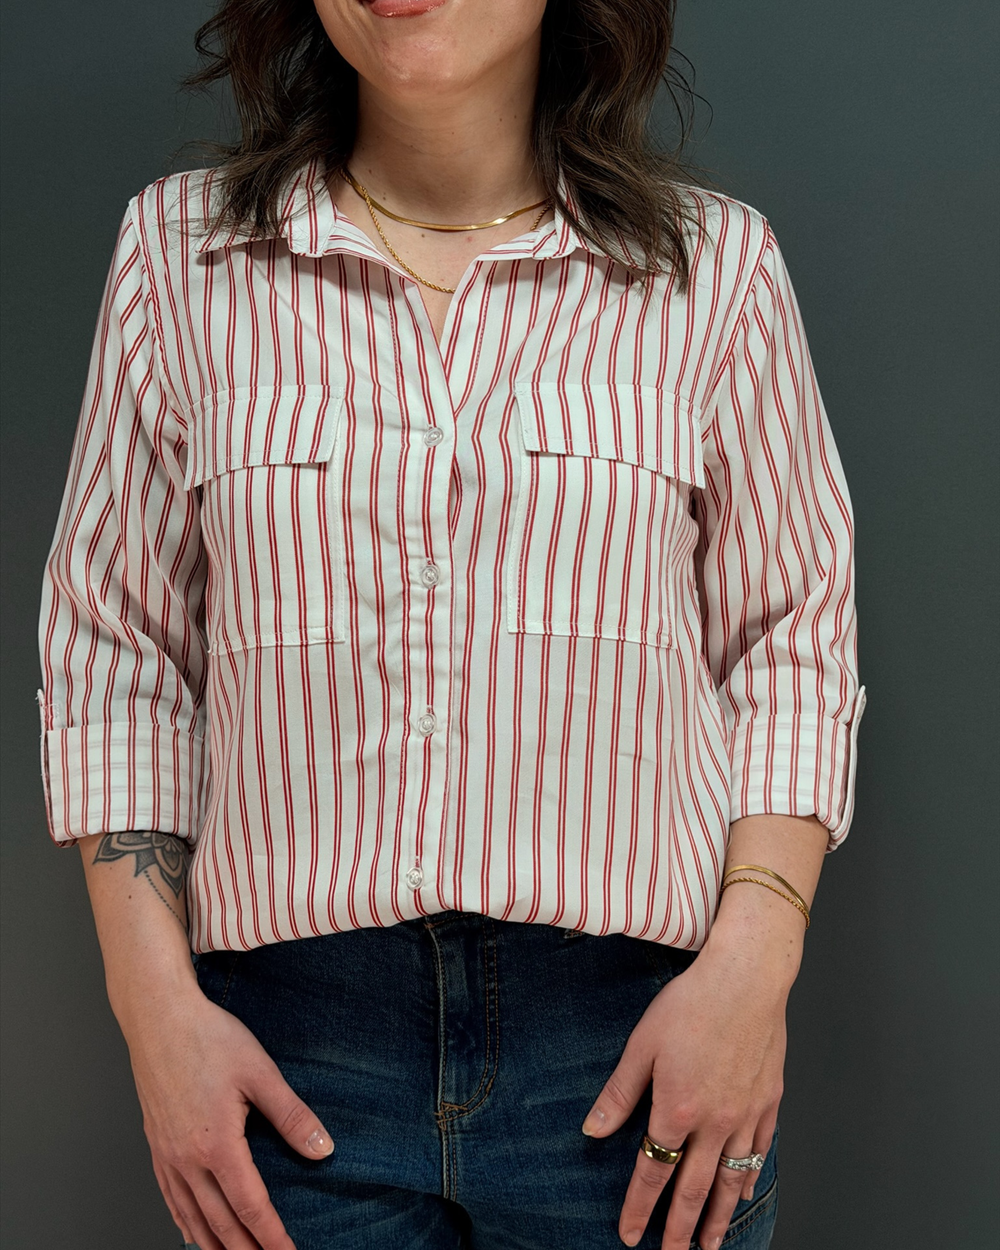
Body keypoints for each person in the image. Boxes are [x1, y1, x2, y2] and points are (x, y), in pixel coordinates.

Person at [35, 1, 867, 1247]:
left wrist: (752, 977)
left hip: (633, 1053)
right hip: (291, 1060)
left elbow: (793, 640)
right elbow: (117, 653)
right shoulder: (179, 260)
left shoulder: (715, 275)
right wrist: (156, 1018)